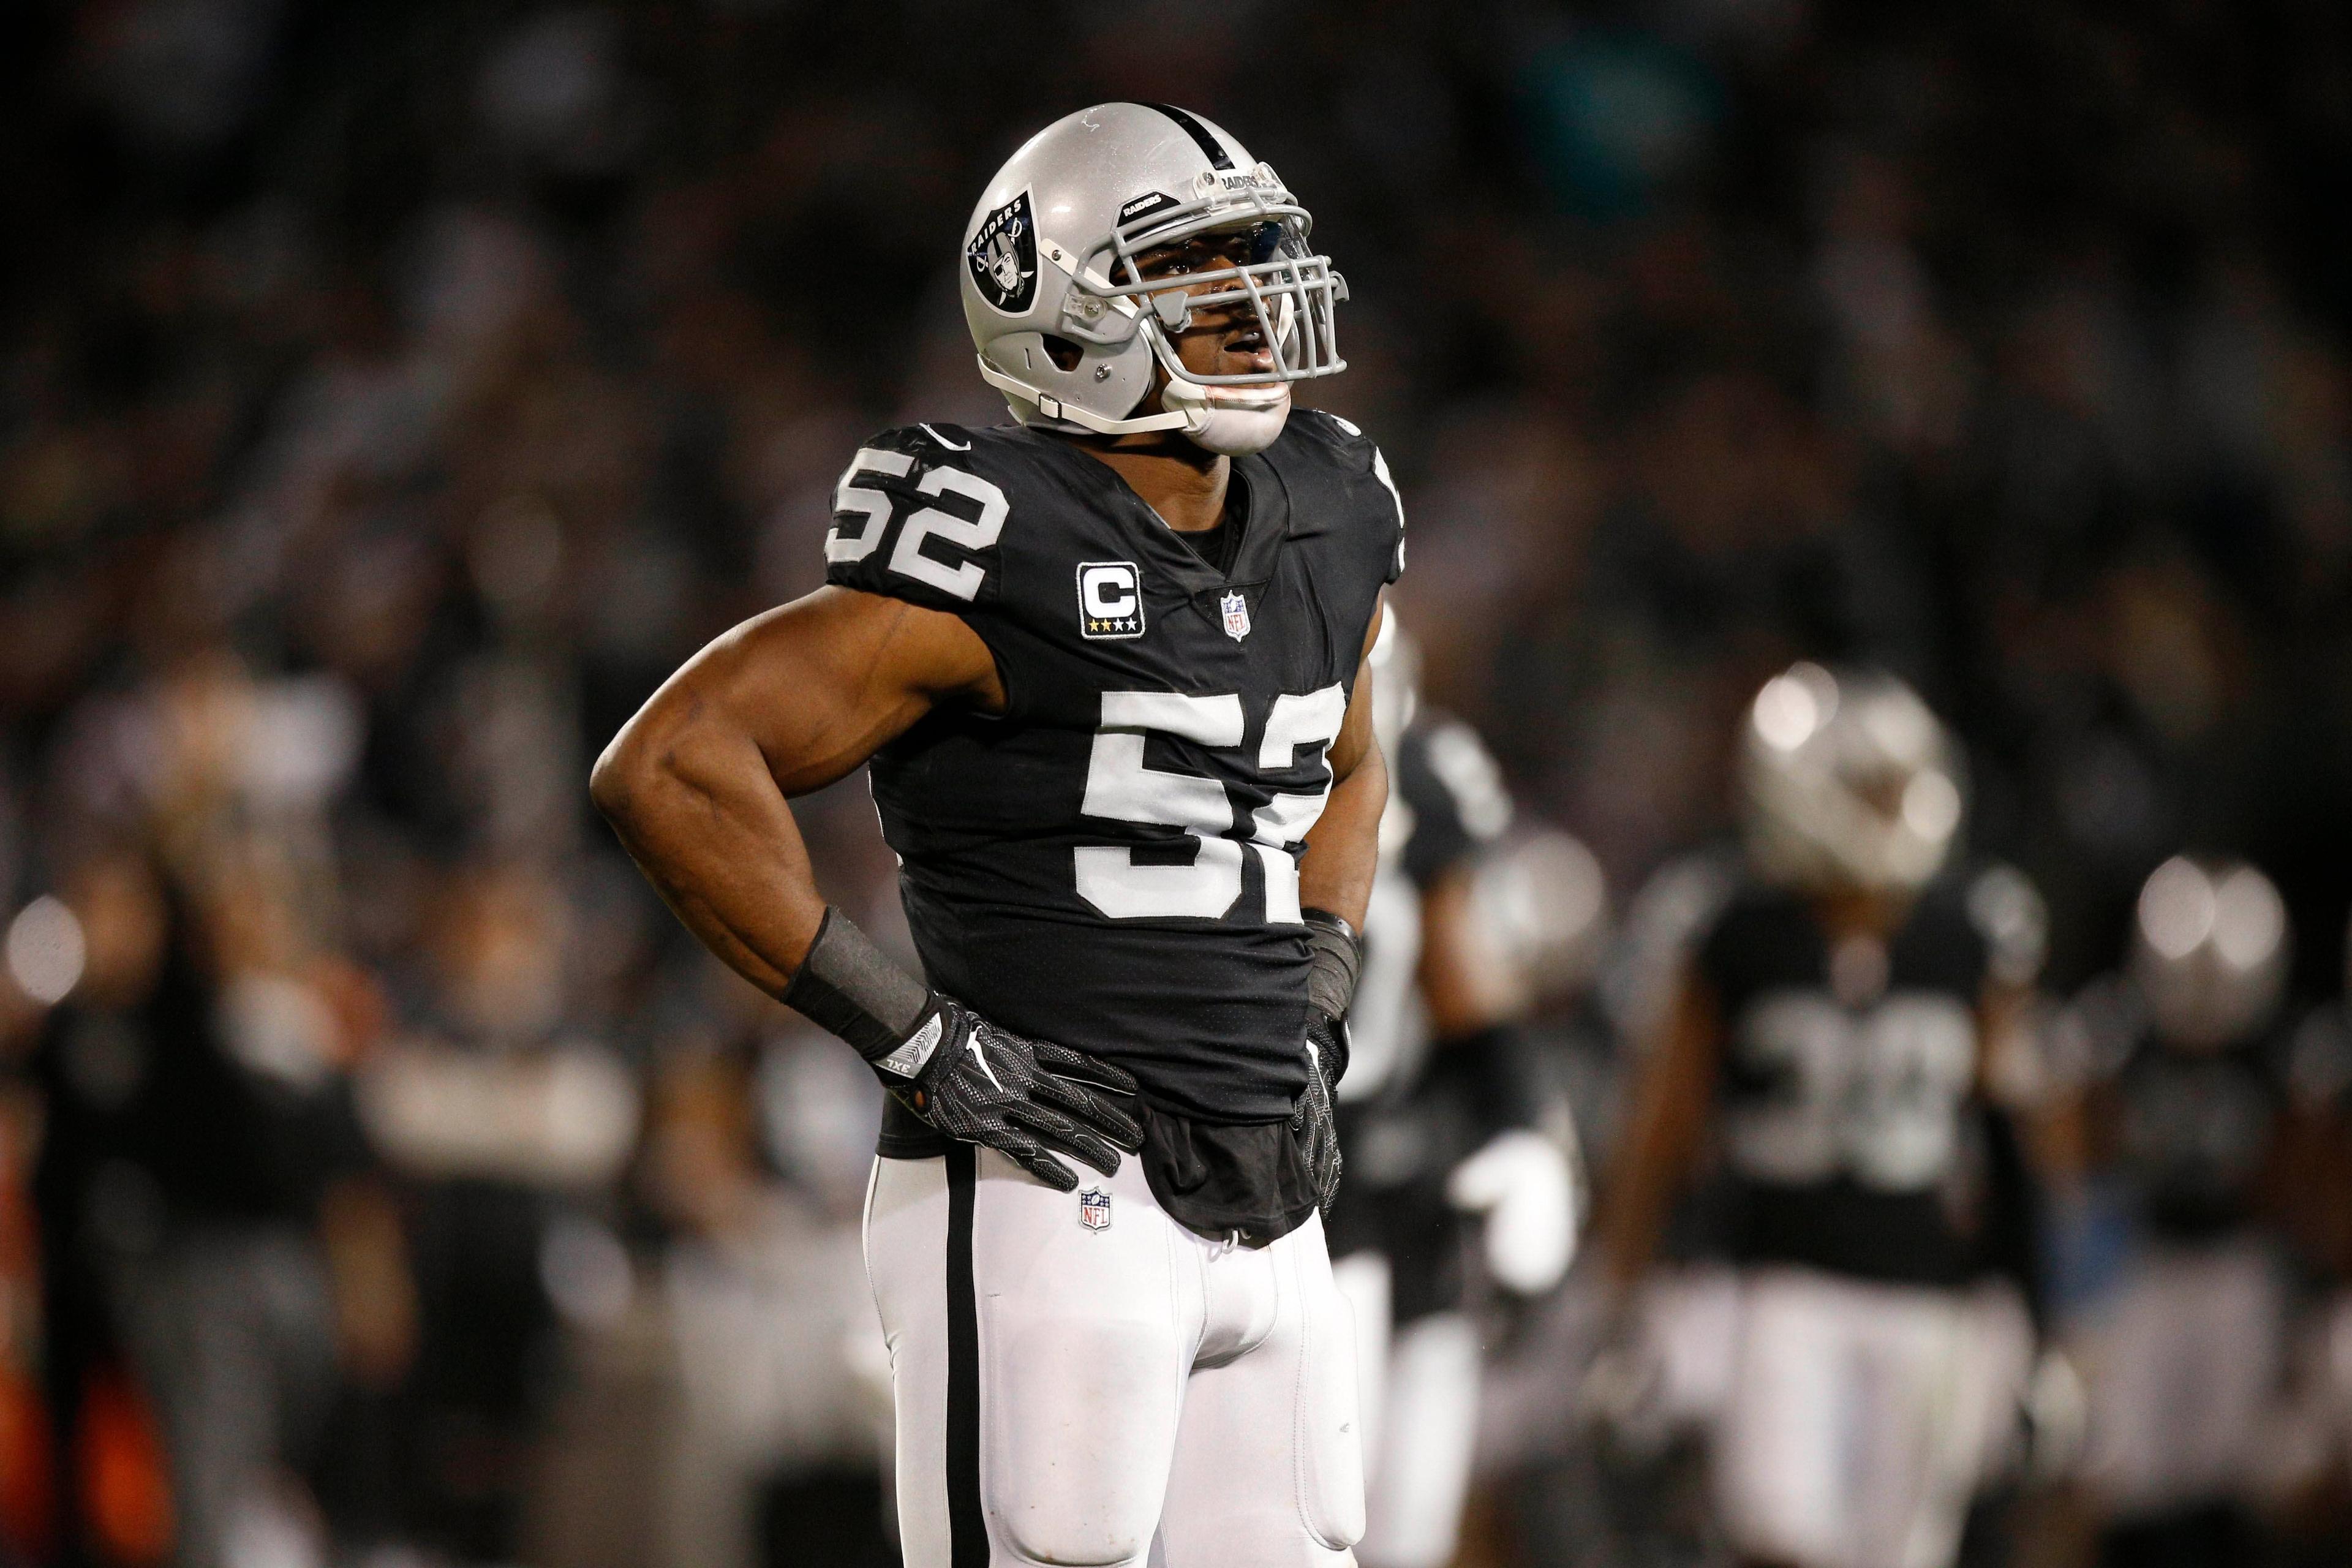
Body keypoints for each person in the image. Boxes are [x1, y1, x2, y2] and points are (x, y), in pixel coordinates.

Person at [591, 103, 1402, 1568]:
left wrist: (1322, 986)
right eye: (1199, 271)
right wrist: (908, 1032)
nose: (1253, 306)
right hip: (1052, 1187)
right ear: (1071, 305)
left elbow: (1357, 753)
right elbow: (671, 761)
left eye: (1254, 260)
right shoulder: (1000, 533)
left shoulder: (1329, 512)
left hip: (1272, 1195)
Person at [1595, 662, 2044, 1568]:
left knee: (1900, 1552)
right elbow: (1668, 1124)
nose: (1894, 806)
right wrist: (1627, 1286)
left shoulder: (1972, 933)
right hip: (1779, 1283)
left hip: (1929, 1294)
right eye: (1872, 788)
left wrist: (2037, 1310)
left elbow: (2019, 1143)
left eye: (1899, 785)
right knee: (1775, 1535)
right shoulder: (1737, 927)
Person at [1326, 616, 1588, 1568]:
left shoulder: (1429, 779)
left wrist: (1528, 1133)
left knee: (1406, 1532)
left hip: (1395, 1183)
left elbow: (1469, 985)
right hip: (1254, 1183)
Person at [2056, 855, 2297, 1567]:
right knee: (2127, 1471)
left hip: (2236, 1266)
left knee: (2231, 1466)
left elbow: (2290, 1169)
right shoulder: (2122, 1035)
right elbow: (2081, 1153)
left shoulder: (2278, 1050)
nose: (2201, 1006)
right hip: (2146, 1267)